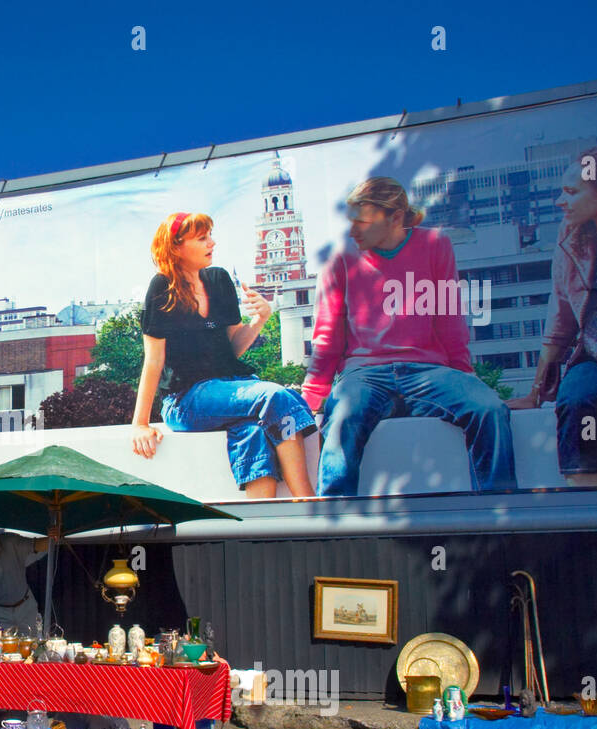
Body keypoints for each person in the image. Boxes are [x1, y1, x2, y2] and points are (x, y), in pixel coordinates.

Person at [301, 177, 517, 496]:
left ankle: (500, 515)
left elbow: (449, 318)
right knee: (342, 422)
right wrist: (313, 396)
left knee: (489, 409)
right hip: (364, 375)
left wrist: (466, 379)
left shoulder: (435, 245)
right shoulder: (340, 257)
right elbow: (327, 333)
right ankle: (335, 526)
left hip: (428, 372)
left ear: (396, 218)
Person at [133, 211, 317, 497]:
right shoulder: (162, 288)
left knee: (253, 433)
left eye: (210, 236)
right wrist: (140, 424)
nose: (212, 243)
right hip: (186, 400)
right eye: (202, 238)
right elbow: (153, 361)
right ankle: (307, 499)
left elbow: (233, 347)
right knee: (277, 396)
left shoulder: (219, 280)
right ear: (177, 246)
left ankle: (263, 528)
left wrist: (260, 319)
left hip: (230, 389)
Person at [507, 141, 597, 486]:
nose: (560, 201)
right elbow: (560, 319)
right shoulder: (570, 238)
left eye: (571, 192)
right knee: (578, 401)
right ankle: (593, 521)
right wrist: (536, 392)